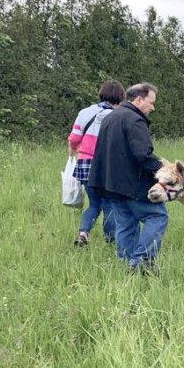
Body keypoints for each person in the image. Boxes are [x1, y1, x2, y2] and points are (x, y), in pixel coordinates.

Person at [88, 83, 167, 274]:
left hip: (111, 184)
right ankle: (141, 261)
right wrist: (164, 168)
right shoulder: (135, 120)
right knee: (157, 216)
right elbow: (143, 155)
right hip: (133, 184)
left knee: (126, 223)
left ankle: (126, 265)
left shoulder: (110, 117)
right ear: (138, 99)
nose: (153, 107)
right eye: (151, 102)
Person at [68, 79, 125, 248]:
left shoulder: (85, 112)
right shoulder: (119, 116)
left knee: (94, 204)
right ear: (121, 97)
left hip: (85, 164)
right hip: (107, 166)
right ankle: (111, 242)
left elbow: (74, 137)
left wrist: (73, 148)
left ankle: (83, 232)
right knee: (109, 204)